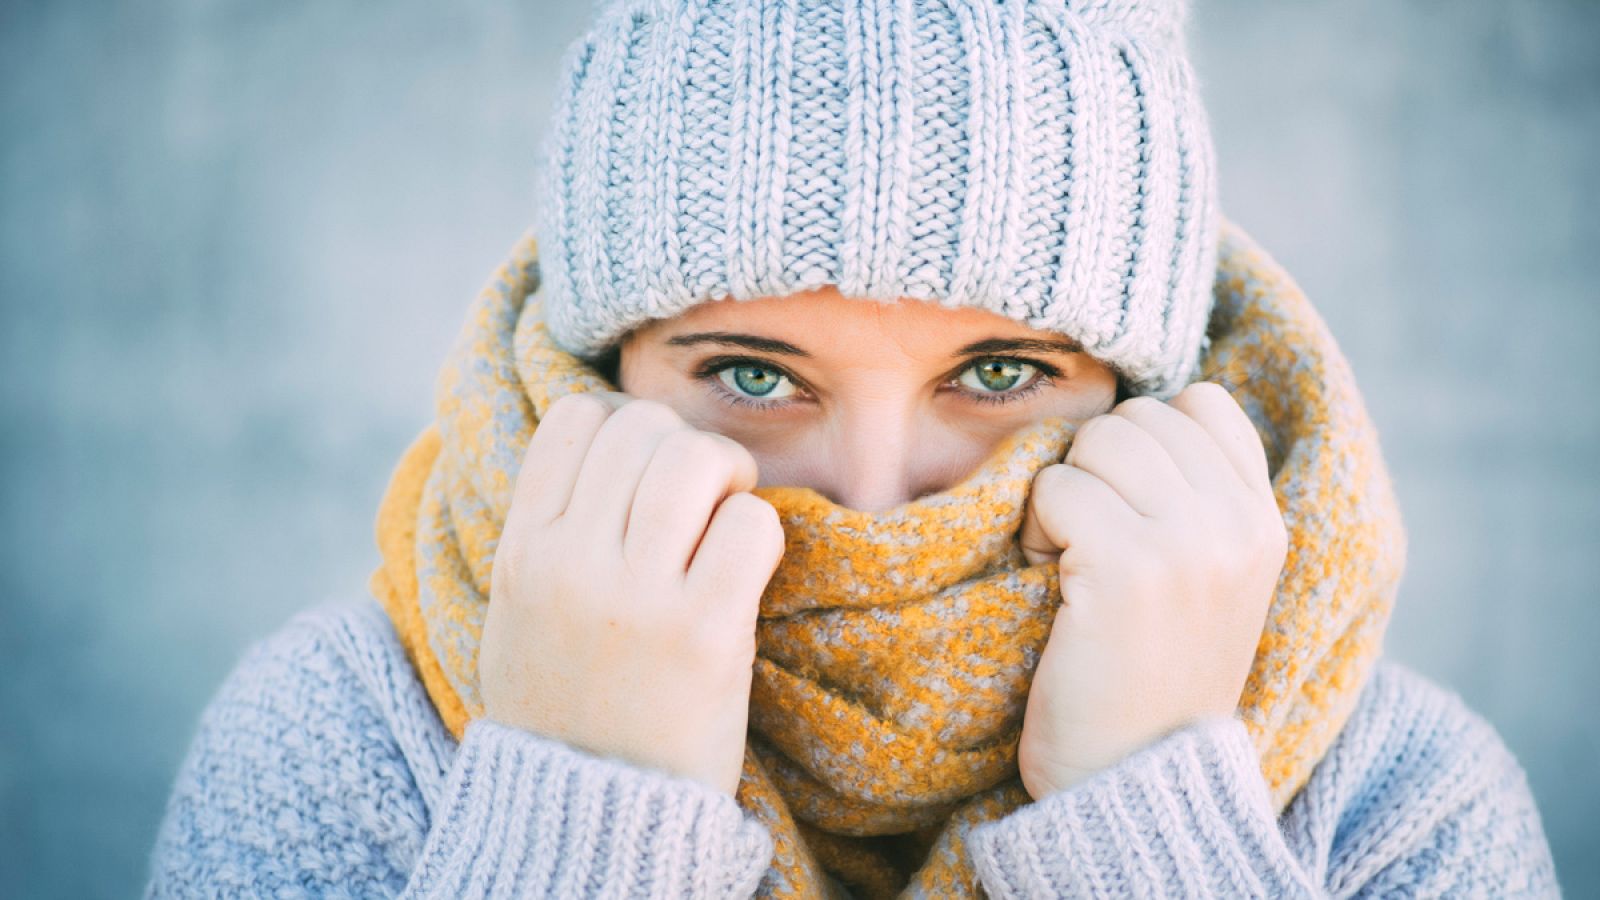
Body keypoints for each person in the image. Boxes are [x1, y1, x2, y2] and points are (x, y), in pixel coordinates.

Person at [145, 0, 1561, 896]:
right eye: (754, 373)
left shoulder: (1393, 800)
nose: (876, 501)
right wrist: (574, 811)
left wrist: (1154, 822)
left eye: (1001, 372)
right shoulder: (347, 741)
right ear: (596, 375)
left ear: (1147, 397)